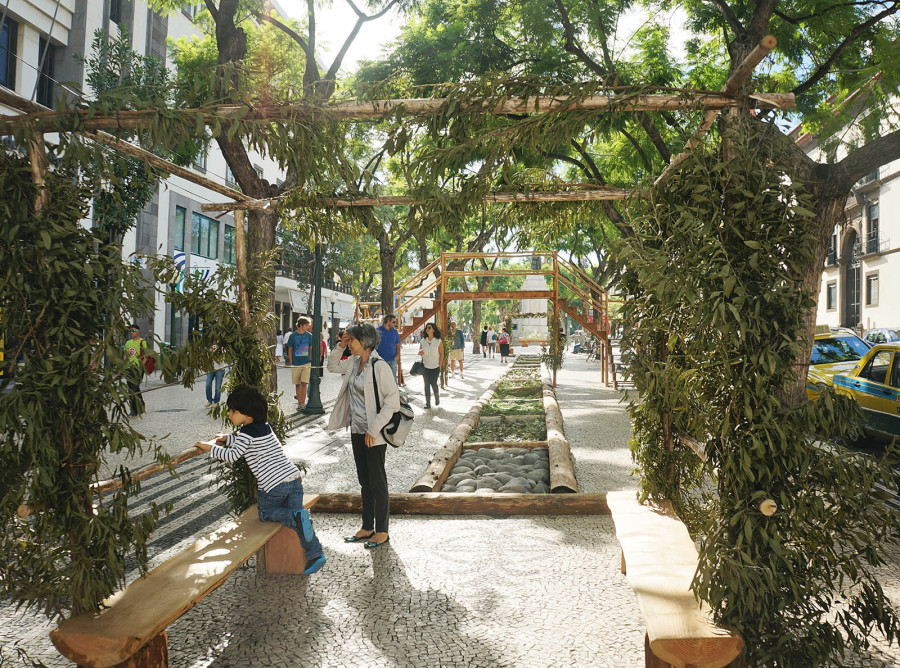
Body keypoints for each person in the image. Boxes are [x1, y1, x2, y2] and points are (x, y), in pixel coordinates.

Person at [196, 386, 325, 575]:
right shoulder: (264, 427)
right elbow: (245, 442)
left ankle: (295, 517)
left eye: (233, 411)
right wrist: (228, 438)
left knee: (266, 512)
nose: (229, 414)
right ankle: (316, 554)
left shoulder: (246, 433)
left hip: (274, 486)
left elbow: (233, 455)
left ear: (247, 414)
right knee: (298, 519)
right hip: (294, 479)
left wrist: (209, 448)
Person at [326, 323, 399, 549]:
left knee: (378, 482)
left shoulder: (379, 367)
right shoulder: (354, 363)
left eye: (353, 340)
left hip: (373, 434)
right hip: (357, 430)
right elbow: (331, 365)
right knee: (364, 482)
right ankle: (367, 527)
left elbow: (392, 402)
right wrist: (341, 344)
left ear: (365, 342)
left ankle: (382, 530)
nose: (351, 343)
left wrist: (374, 428)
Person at [286, 317, 312, 409]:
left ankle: (302, 403)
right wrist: (291, 360)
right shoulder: (293, 336)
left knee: (304, 383)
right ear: (301, 325)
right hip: (296, 363)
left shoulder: (309, 335)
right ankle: (299, 403)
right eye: (306, 325)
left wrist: (310, 358)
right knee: (297, 383)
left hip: (306, 363)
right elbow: (290, 349)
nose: (308, 327)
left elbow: (311, 348)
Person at [124, 323, 148, 417]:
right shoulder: (128, 343)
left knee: (134, 388)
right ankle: (140, 405)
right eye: (130, 331)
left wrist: (141, 366)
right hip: (129, 368)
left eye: (133, 330)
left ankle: (134, 410)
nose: (131, 332)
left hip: (138, 368)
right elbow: (125, 355)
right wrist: (124, 365)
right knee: (131, 389)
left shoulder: (142, 342)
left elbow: (146, 355)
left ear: (138, 331)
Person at [418, 323, 443, 409]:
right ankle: (428, 403)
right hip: (425, 367)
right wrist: (420, 353)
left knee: (433, 384)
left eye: (429, 327)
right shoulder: (422, 341)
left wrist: (439, 365)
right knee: (426, 385)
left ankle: (437, 396)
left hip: (435, 367)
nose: (427, 329)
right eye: (426, 328)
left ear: (433, 330)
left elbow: (441, 354)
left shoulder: (438, 341)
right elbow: (420, 352)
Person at [375, 314, 402, 381]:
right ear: (388, 322)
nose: (394, 324)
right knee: (382, 380)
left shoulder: (395, 332)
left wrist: (398, 355)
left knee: (393, 379)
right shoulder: (377, 331)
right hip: (381, 360)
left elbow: (398, 344)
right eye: (393, 322)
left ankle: (395, 391)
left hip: (393, 359)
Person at [205, 343, 226, 407]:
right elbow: (208, 356)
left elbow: (222, 358)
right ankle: (209, 400)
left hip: (220, 369)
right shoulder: (210, 346)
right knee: (208, 385)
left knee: (218, 387)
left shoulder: (222, 348)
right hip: (211, 369)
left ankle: (216, 401)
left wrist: (215, 358)